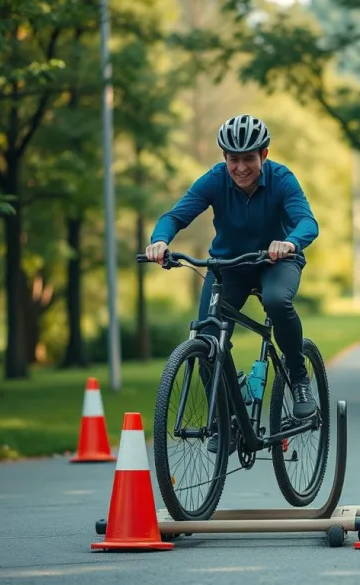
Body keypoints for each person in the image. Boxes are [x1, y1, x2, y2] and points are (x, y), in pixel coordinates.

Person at [145, 114, 320, 443]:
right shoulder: (214, 180)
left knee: (276, 300)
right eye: (233, 159)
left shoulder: (282, 180)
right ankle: (230, 418)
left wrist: (290, 243)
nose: (241, 167)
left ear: (264, 155)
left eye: (249, 159)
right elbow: (175, 215)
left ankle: (299, 379)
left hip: (276, 262)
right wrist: (160, 240)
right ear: (224, 158)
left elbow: (307, 223)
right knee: (207, 337)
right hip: (229, 267)